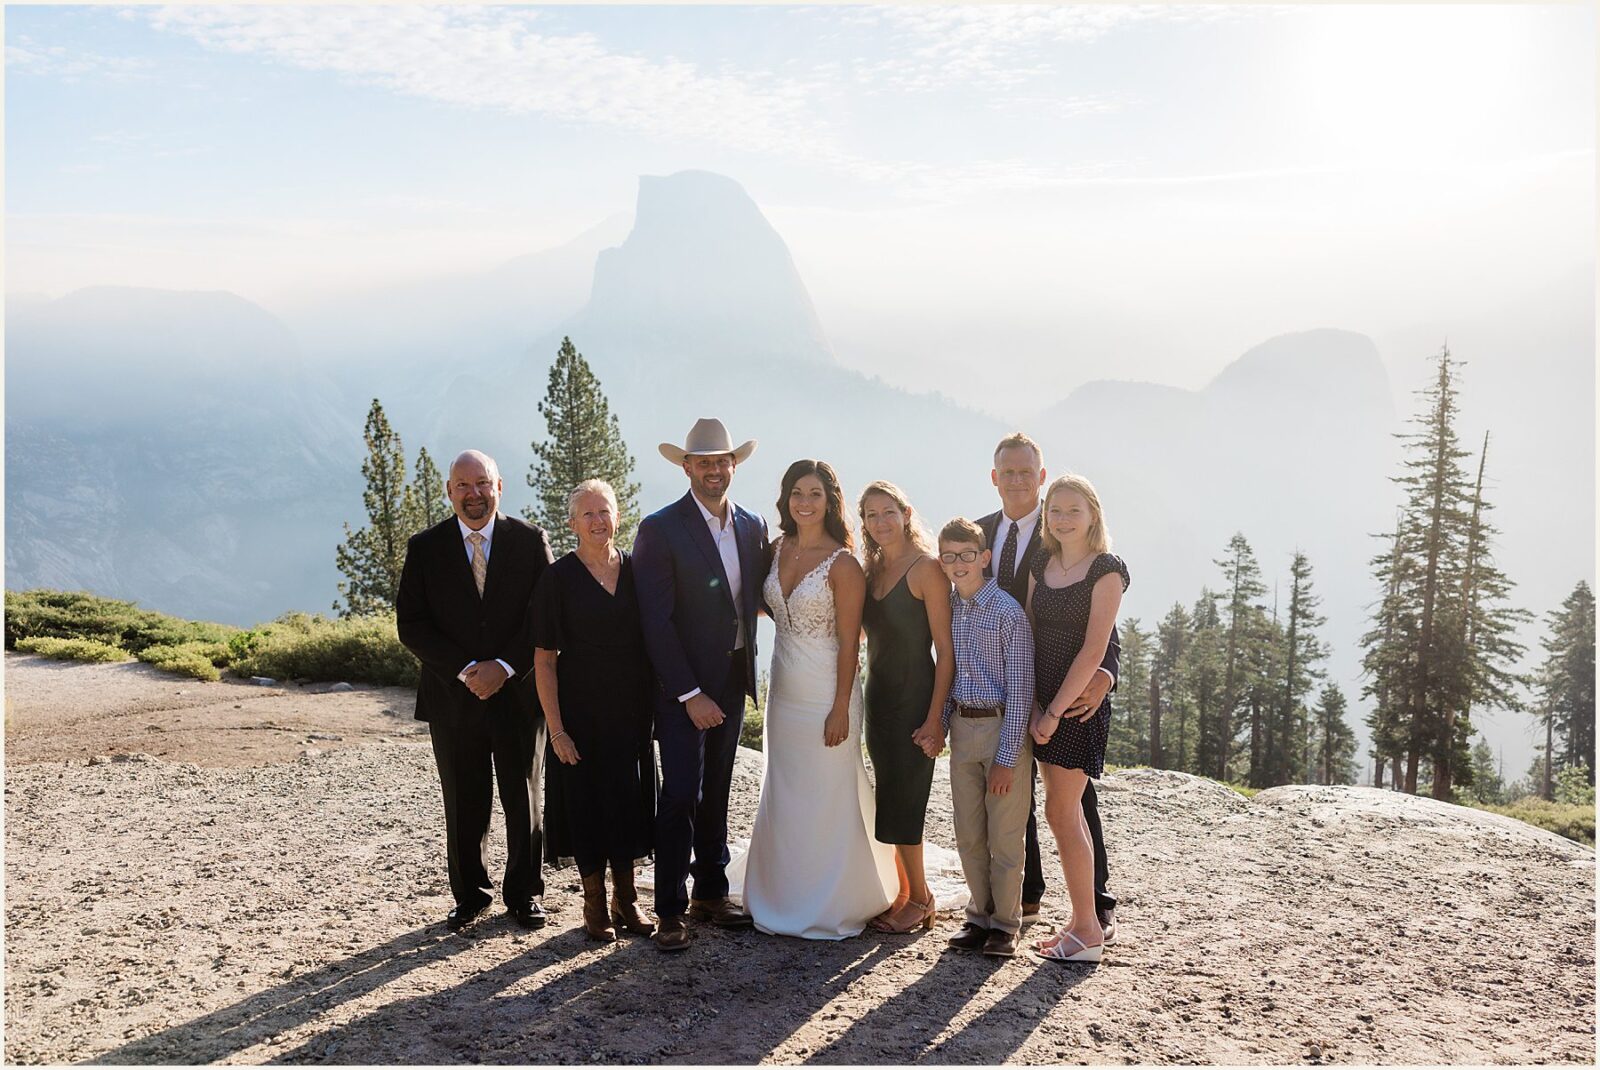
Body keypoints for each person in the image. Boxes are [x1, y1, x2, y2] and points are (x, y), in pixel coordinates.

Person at [733, 460, 897, 939]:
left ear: (830, 502)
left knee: (828, 791)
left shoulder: (843, 564)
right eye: (797, 493)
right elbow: (764, 603)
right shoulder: (775, 548)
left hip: (829, 692)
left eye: (815, 494)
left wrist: (841, 706)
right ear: (785, 499)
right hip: (784, 689)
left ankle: (832, 895)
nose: (805, 502)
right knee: (784, 788)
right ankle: (780, 889)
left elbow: (852, 643)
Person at [395, 449, 554, 932]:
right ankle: (470, 895)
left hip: (520, 696)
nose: (474, 494)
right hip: (453, 696)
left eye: (482, 483)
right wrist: (466, 669)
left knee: (523, 798)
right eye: (463, 485)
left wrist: (505, 666)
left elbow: (544, 616)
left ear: (499, 487)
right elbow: (411, 624)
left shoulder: (530, 542)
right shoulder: (426, 548)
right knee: (464, 801)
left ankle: (524, 895)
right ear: (449, 492)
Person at [632, 418, 771, 952]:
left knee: (717, 789)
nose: (715, 470)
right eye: (704, 462)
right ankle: (669, 909)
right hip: (682, 688)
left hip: (733, 677)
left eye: (723, 461)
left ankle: (711, 890)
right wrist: (689, 693)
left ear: (733, 465)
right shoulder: (660, 528)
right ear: (687, 467)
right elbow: (655, 620)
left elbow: (755, 595)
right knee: (681, 794)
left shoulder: (751, 525)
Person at [977, 431, 1120, 937]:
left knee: (1074, 801)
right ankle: (1027, 896)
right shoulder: (978, 534)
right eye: (1007, 472)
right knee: (1013, 790)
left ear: (1041, 477)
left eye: (1025, 472)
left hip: (1070, 691)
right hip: (1000, 687)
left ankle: (1094, 906)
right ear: (995, 478)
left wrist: (1106, 674)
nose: (1016, 480)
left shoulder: (1066, 535)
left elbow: (1102, 626)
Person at [532, 480, 656, 942]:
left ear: (618, 517)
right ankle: (593, 905)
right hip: (579, 713)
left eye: (605, 511)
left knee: (628, 803)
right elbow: (544, 659)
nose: (598, 521)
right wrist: (557, 730)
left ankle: (627, 902)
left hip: (632, 710)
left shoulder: (637, 571)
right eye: (587, 514)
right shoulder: (557, 579)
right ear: (571, 524)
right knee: (586, 806)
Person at [1026, 474, 1129, 964]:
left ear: (1093, 514)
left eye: (1073, 509)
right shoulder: (1042, 563)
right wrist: (1030, 703)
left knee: (1061, 812)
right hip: (1040, 699)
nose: (1063, 518)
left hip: (1075, 705)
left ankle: (1087, 928)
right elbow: (1024, 632)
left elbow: (1095, 648)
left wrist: (1052, 712)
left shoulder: (1106, 569)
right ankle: (1081, 919)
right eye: (1055, 510)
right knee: (1062, 811)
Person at [931, 517, 1036, 958]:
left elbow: (1022, 688)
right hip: (962, 727)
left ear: (984, 558)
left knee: (1006, 835)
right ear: (942, 561)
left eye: (967, 555)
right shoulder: (948, 609)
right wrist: (938, 726)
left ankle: (1006, 925)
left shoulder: (1007, 612)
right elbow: (948, 674)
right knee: (969, 832)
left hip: (1000, 728)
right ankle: (978, 917)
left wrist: (1008, 757)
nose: (959, 564)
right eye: (950, 557)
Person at [857, 481, 954, 935]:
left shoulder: (926, 569)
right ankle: (902, 892)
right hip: (878, 700)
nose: (880, 522)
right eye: (871, 515)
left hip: (916, 702)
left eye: (888, 512)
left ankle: (922, 897)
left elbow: (946, 652)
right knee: (889, 799)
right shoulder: (872, 571)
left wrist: (936, 718)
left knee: (908, 800)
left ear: (906, 513)